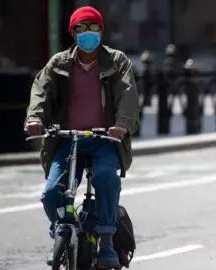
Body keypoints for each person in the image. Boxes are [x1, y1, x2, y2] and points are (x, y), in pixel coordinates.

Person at [24, 6, 140, 268]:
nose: (88, 33)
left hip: (105, 139)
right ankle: (62, 231)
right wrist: (34, 119)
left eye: (93, 27)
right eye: (81, 28)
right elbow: (40, 90)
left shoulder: (117, 61)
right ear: (73, 33)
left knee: (105, 178)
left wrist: (122, 125)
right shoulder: (59, 63)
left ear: (101, 31)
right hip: (68, 139)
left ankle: (107, 241)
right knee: (52, 192)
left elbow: (128, 95)